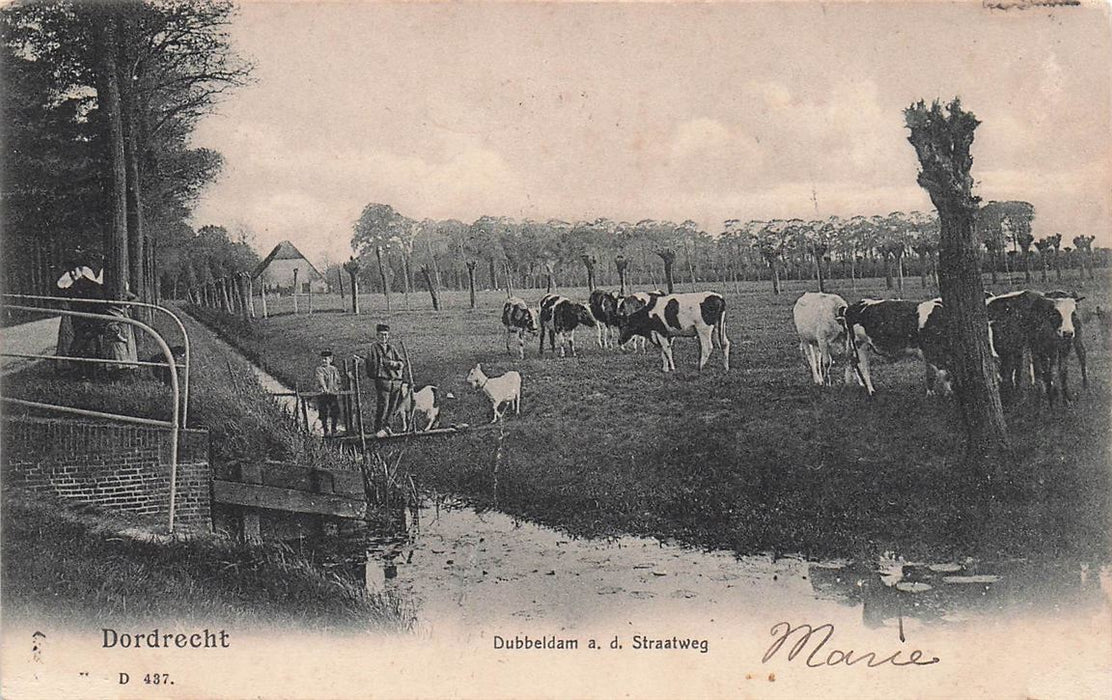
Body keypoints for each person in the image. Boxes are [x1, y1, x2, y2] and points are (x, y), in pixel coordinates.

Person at [364, 323, 405, 436]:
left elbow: (401, 362)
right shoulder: (374, 348)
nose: (384, 337)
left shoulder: (392, 348)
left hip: (395, 381)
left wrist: (396, 364)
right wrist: (380, 369)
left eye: (386, 335)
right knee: (383, 405)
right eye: (381, 335)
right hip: (383, 381)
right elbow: (371, 365)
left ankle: (388, 427)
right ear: (377, 335)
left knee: (393, 406)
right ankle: (378, 429)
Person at [314, 350, 343, 436]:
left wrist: (337, 388)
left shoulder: (334, 369)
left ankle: (334, 429)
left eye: (325, 359)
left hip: (332, 393)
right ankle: (325, 429)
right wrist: (325, 388)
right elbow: (321, 380)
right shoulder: (319, 369)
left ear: (330, 360)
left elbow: (338, 380)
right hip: (323, 394)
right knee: (323, 411)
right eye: (322, 359)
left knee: (335, 410)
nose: (323, 361)